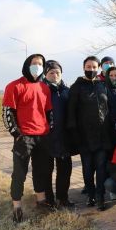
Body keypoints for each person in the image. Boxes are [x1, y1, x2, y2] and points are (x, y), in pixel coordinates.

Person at [2, 54, 53, 223]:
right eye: (34, 63)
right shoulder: (15, 86)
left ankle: (41, 201)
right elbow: (7, 112)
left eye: (40, 64)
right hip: (24, 138)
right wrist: (16, 135)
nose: (37, 66)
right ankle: (16, 206)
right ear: (27, 64)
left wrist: (49, 129)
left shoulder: (44, 87)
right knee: (19, 173)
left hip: (42, 137)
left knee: (41, 171)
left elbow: (48, 112)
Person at [67, 56, 111, 211]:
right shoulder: (76, 87)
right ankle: (90, 195)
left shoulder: (102, 85)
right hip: (84, 136)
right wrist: (75, 135)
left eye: (94, 67)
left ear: (98, 68)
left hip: (102, 136)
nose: (91, 69)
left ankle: (100, 196)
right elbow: (71, 113)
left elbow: (107, 108)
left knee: (100, 167)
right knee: (87, 168)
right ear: (83, 67)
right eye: (88, 66)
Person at [42, 60, 76, 209]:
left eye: (57, 72)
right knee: (46, 171)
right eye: (51, 72)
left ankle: (63, 198)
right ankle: (49, 200)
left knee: (65, 171)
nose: (55, 75)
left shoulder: (67, 91)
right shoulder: (41, 90)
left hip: (64, 138)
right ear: (45, 74)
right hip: (46, 138)